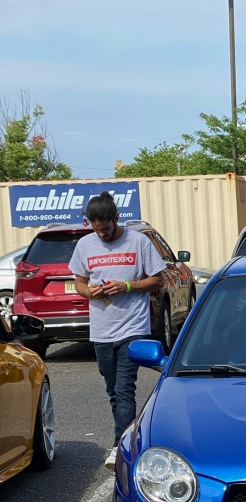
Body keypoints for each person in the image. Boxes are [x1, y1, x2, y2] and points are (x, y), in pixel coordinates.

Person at [69, 191, 166, 469]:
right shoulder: (85, 245)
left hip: (133, 327)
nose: (102, 235)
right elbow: (80, 283)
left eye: (107, 228)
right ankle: (127, 437)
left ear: (117, 219)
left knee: (125, 389)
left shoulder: (138, 242)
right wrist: (90, 291)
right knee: (113, 390)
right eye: (96, 229)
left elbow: (157, 281)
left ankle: (119, 446)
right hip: (101, 330)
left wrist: (126, 287)